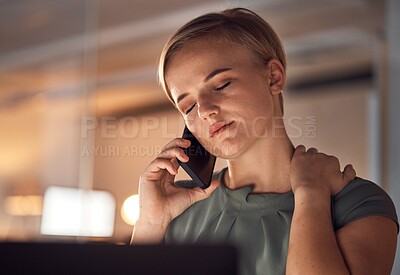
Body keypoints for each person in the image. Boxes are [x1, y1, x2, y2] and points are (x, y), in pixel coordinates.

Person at [131, 7, 399, 275]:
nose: (204, 111)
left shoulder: (358, 204)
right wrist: (151, 223)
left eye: (221, 85)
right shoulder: (177, 212)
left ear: (273, 77)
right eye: (188, 106)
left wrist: (311, 195)